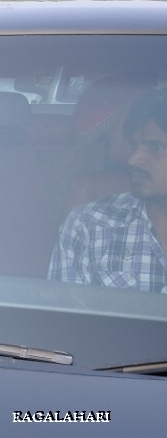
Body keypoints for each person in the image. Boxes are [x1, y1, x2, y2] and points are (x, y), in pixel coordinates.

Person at [50, 90, 167, 292]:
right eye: (133, 145)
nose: (133, 159)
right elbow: (63, 319)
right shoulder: (90, 225)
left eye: (155, 147)